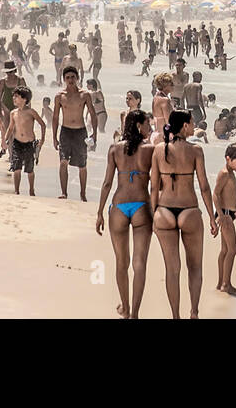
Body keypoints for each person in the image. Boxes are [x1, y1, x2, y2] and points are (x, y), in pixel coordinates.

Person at [150, 110, 218, 319]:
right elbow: (204, 187)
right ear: (185, 126)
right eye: (192, 123)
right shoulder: (195, 150)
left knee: (172, 269)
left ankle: (175, 316)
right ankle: (194, 312)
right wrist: (212, 217)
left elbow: (154, 187)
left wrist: (153, 214)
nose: (193, 126)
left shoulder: (159, 149)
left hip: (164, 210)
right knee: (195, 267)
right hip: (189, 210)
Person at [96, 109, 154, 318]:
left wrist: (100, 212)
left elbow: (107, 183)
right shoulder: (150, 149)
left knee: (122, 262)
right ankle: (135, 313)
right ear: (139, 125)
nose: (151, 127)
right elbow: (156, 185)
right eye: (148, 124)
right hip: (141, 206)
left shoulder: (114, 148)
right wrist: (156, 211)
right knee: (139, 264)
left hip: (118, 206)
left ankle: (126, 307)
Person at [52, 65, 99, 201]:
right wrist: (54, 137)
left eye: (73, 77)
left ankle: (82, 194)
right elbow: (55, 117)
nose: (70, 80)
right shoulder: (60, 96)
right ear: (64, 79)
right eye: (67, 78)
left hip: (80, 132)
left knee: (82, 164)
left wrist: (94, 134)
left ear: (77, 78)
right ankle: (64, 193)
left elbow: (93, 114)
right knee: (63, 162)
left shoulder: (84, 95)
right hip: (65, 131)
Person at [213, 142, 236, 297]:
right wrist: (220, 216)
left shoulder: (230, 173)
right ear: (228, 159)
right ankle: (226, 284)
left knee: (225, 250)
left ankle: (221, 282)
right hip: (225, 215)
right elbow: (215, 194)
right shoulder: (225, 173)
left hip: (228, 214)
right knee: (233, 249)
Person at [7, 87, 46, 196]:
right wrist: (5, 140)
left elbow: (43, 124)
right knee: (16, 167)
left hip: (29, 143)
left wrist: (42, 140)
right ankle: (16, 191)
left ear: (24, 99)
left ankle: (31, 190)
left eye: (16, 96)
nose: (13, 98)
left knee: (29, 169)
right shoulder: (13, 113)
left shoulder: (31, 112)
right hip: (17, 142)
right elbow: (10, 128)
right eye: (13, 96)